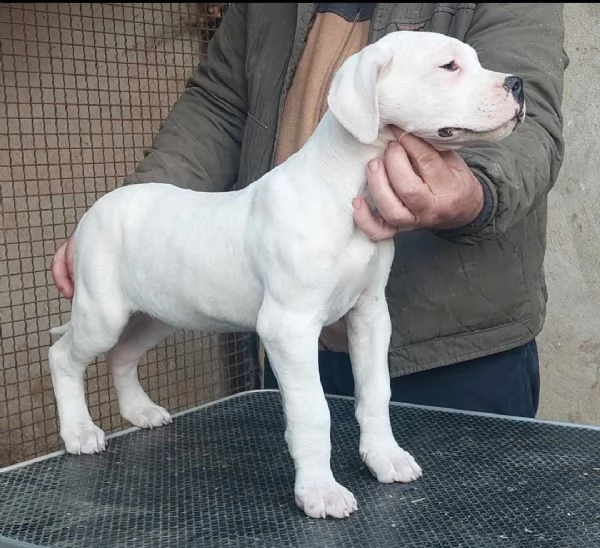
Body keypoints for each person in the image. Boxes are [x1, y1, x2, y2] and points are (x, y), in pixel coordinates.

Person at [51, 4, 568, 418]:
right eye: (454, 67)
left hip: (459, 347)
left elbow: (532, 111)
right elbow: (217, 105)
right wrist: (126, 222)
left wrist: (475, 191)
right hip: (296, 326)